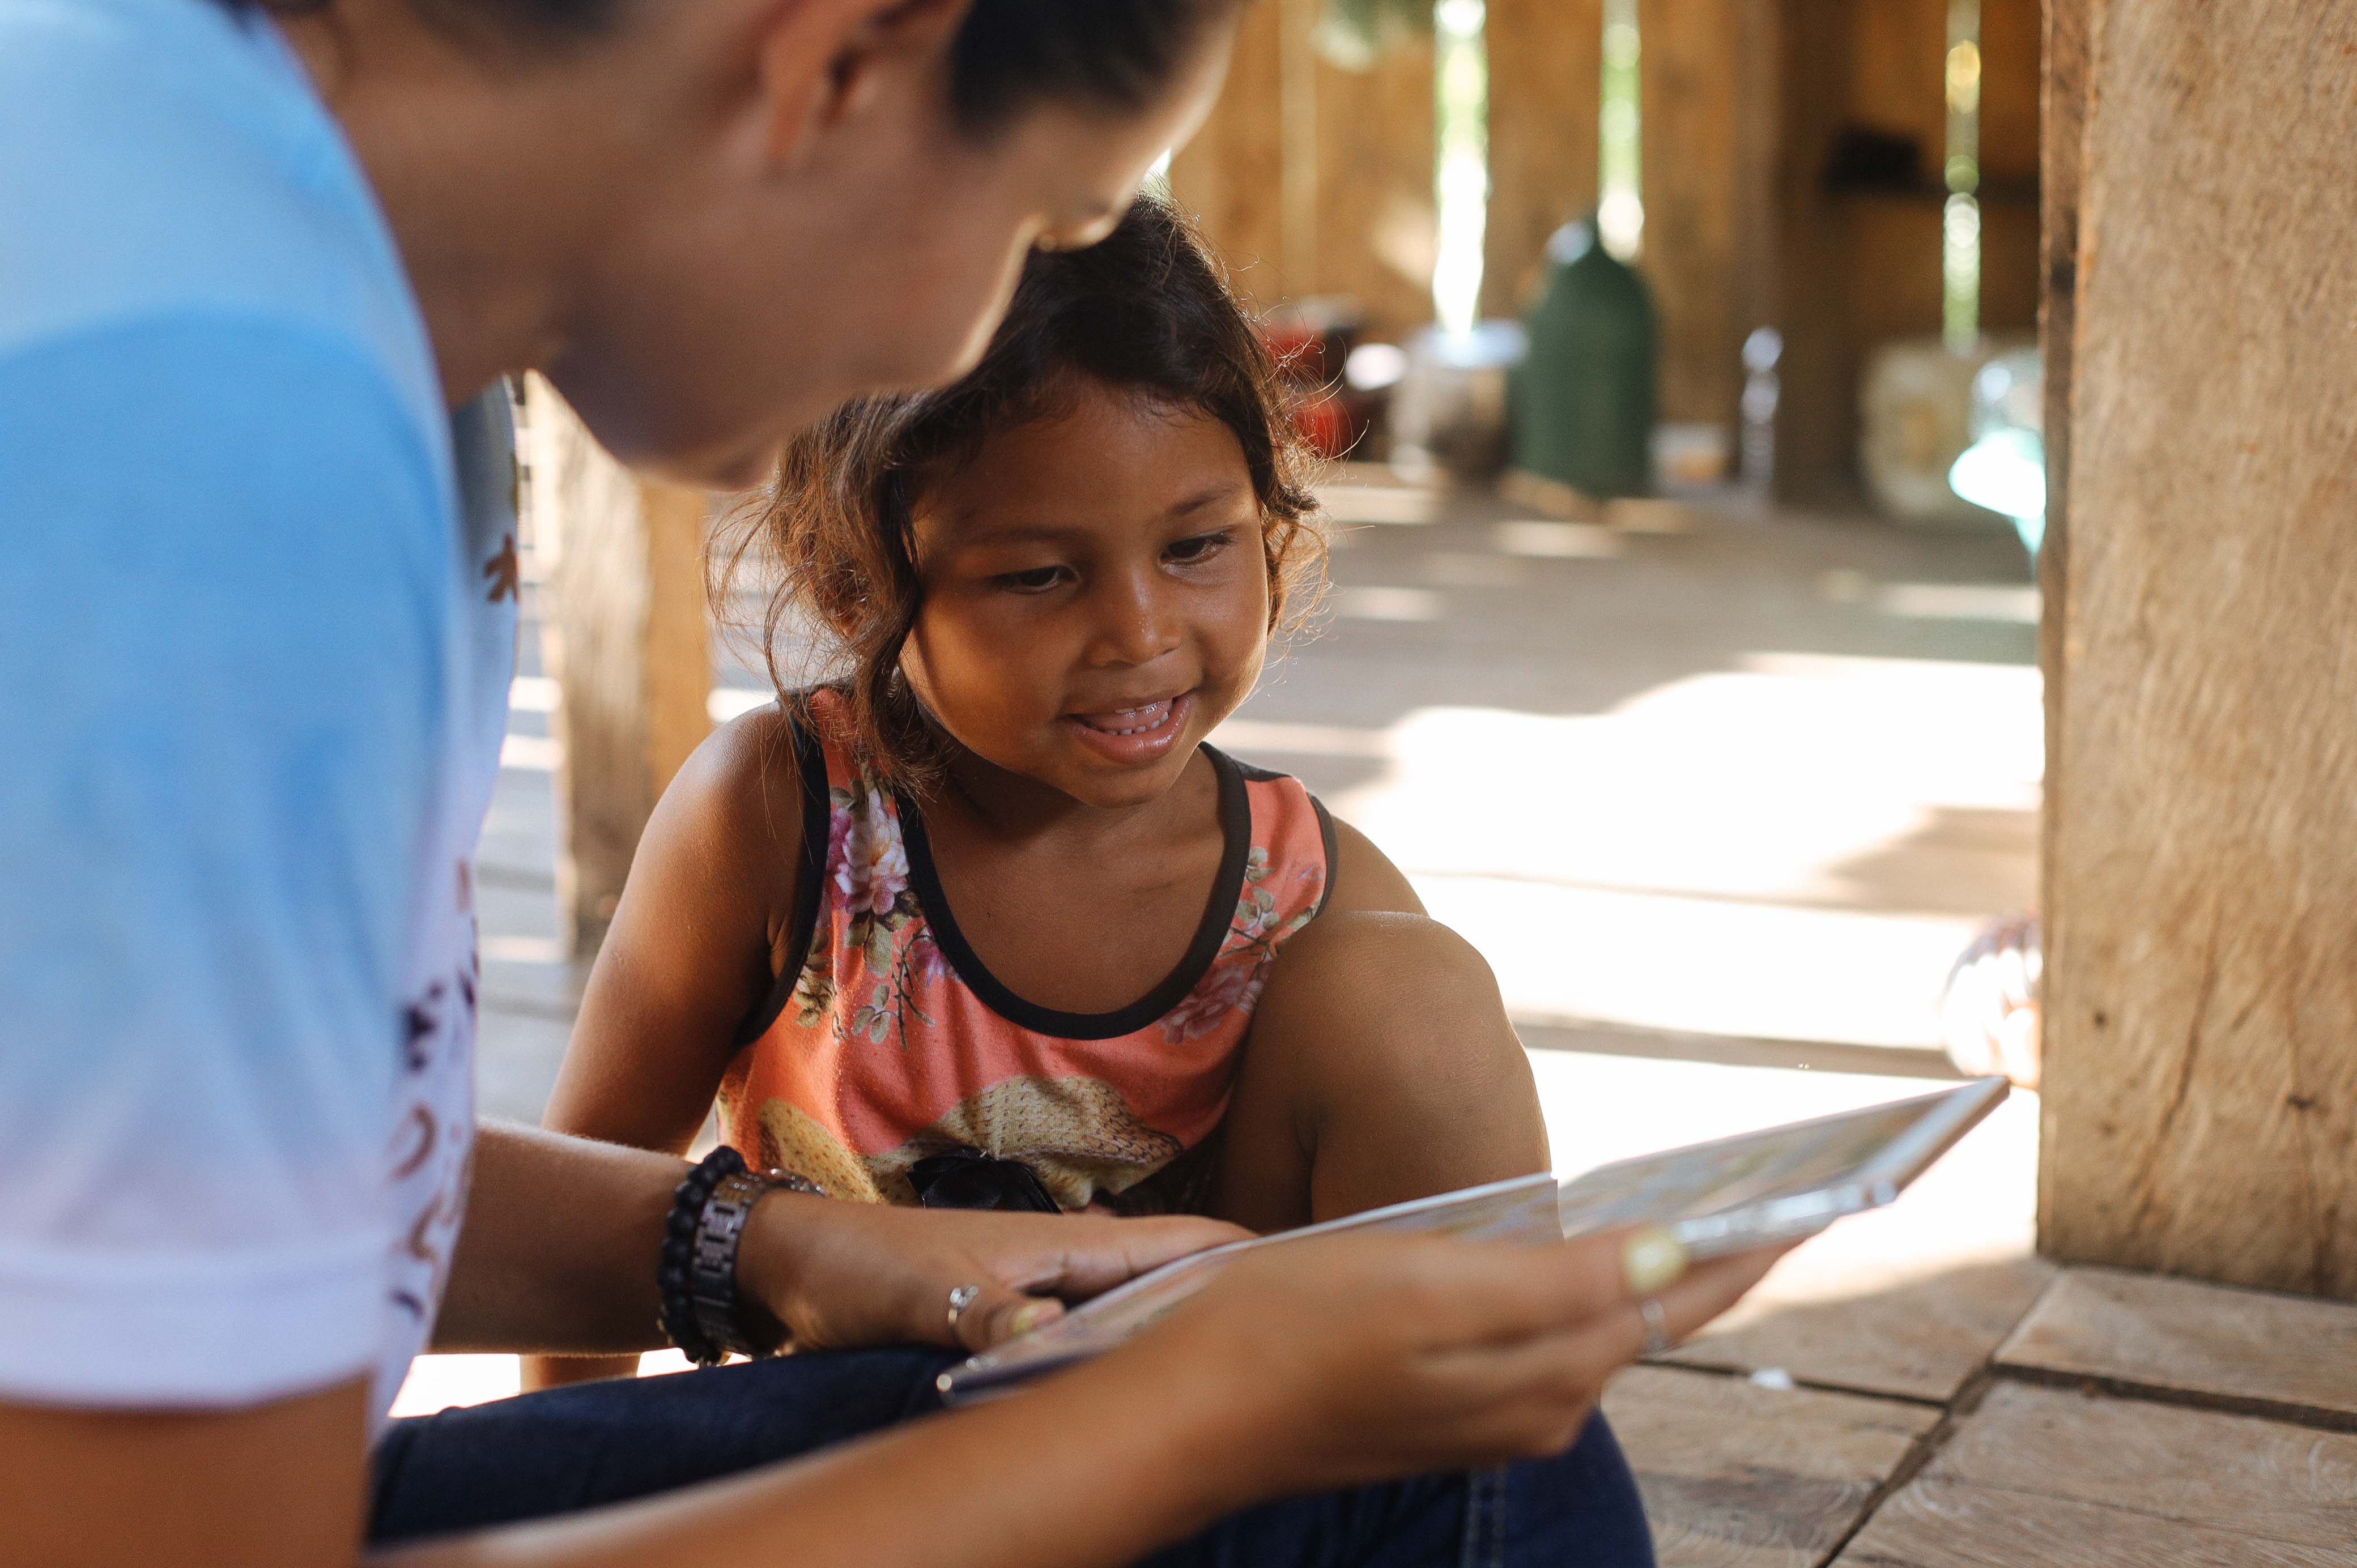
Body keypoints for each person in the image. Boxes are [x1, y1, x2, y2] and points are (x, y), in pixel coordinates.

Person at [0, 0, 1784, 1563]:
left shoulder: (273, 249)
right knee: (1421, 1491)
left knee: (1448, 1460)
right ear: (844, 57)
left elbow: (222, 1179)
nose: (967, 348)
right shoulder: (197, 440)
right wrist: (1200, 1412)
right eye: (1035, 221)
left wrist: (775, 1250)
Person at [522, 197, 1555, 1390]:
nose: (1138, 630)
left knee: (1417, 999)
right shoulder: (778, 816)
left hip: (1188, 1474)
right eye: (1040, 574)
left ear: (1269, 527)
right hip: (841, 1479)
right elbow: (590, 1221)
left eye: (1195, 546)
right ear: (855, 586)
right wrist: (563, 1476)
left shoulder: (1309, 897)